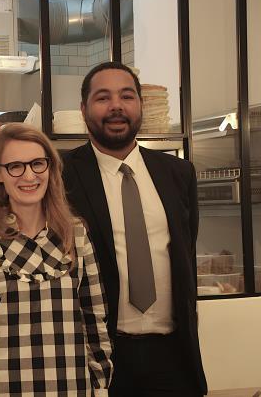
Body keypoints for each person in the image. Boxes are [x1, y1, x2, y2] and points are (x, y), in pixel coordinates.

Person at [62, 61, 208, 396]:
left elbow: (185, 250)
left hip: (173, 354)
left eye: (127, 96)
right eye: (103, 98)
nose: (116, 106)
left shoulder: (178, 173)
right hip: (97, 354)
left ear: (139, 106)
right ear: (83, 109)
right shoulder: (60, 174)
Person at [0, 123, 112, 396]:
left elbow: (95, 320)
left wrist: (101, 383)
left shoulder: (76, 234)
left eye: (37, 164)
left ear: (51, 168)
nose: (29, 175)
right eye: (16, 166)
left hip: (71, 387)